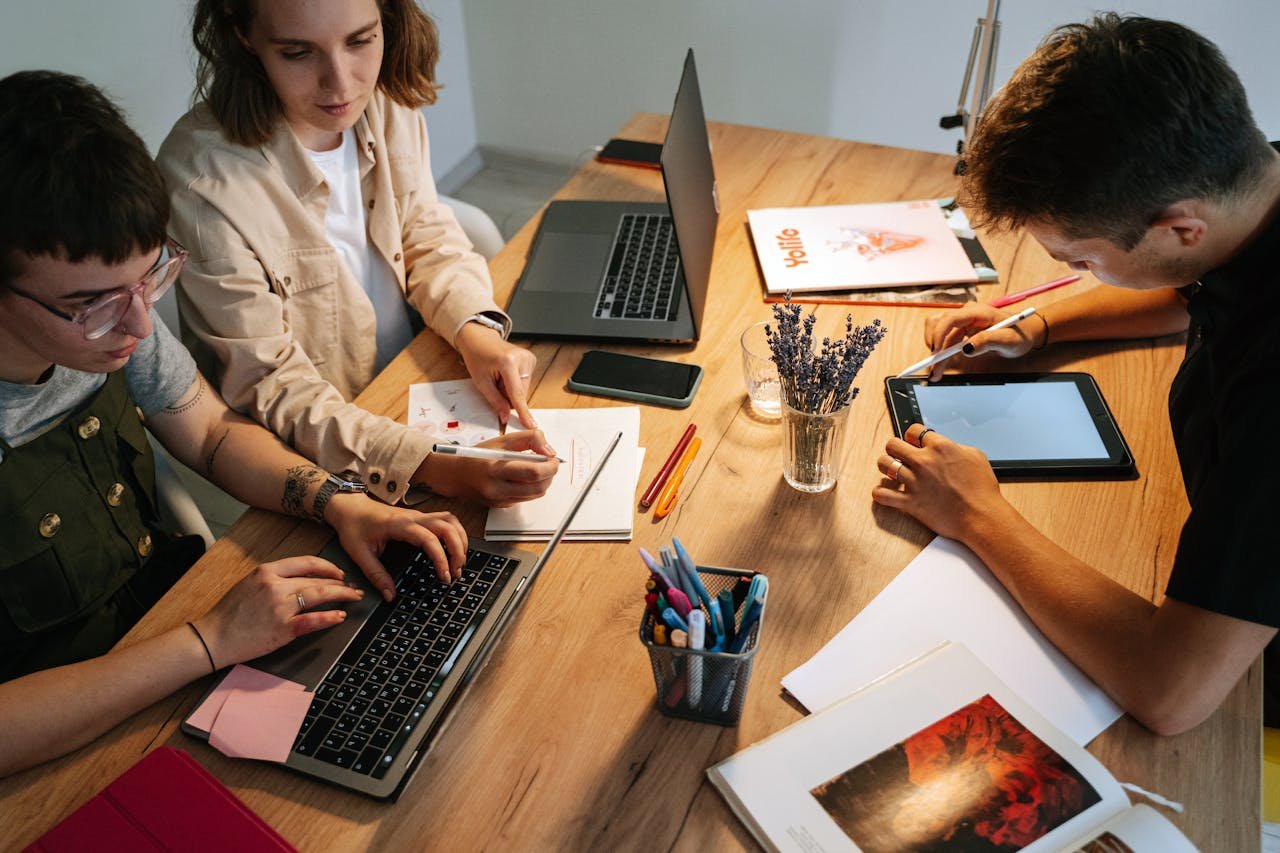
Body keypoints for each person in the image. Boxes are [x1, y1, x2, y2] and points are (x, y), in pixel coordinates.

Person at [0, 70, 471, 777]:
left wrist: (341, 501)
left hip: (165, 640)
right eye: (93, 303)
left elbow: (213, 434)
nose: (137, 323)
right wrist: (208, 638)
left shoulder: (109, 318)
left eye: (151, 276)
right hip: (66, 737)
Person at [873, 13, 1280, 736]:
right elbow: (1196, 288)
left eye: (1081, 261)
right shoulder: (1249, 185)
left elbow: (1170, 690)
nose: (1070, 277)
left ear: (1180, 226)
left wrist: (976, 512)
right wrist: (1038, 328)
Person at [157, 0, 557, 510]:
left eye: (360, 41)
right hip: (316, 463)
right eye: (298, 53)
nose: (342, 84)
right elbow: (272, 385)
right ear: (242, 35)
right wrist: (431, 463)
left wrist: (473, 333)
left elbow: (424, 233)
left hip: (409, 387)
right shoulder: (202, 184)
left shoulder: (386, 98)